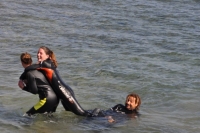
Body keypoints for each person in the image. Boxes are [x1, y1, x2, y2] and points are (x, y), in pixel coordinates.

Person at [19, 46, 92, 116]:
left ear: (47, 56)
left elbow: (28, 69)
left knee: (81, 113)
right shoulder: (44, 65)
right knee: (71, 113)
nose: (38, 55)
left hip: (65, 92)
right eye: (38, 53)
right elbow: (30, 70)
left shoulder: (46, 63)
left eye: (41, 53)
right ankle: (98, 114)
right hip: (60, 94)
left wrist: (21, 79)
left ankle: (101, 117)